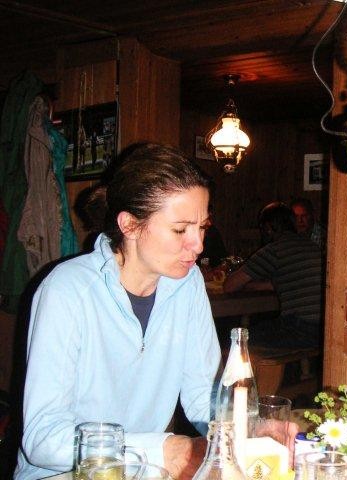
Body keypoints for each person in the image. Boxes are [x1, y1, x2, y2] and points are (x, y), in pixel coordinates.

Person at [16, 143, 220, 480]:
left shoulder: (188, 283)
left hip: (143, 472)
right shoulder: (66, 290)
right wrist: (158, 449)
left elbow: (202, 396)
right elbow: (42, 439)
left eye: (202, 227)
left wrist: (250, 426)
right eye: (180, 229)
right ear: (130, 225)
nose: (198, 245)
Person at [223, 202, 323, 349]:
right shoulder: (312, 247)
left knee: (236, 339)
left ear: (268, 228)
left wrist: (246, 284)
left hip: (301, 328)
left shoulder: (274, 250)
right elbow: (280, 283)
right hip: (323, 328)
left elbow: (229, 286)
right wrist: (251, 285)